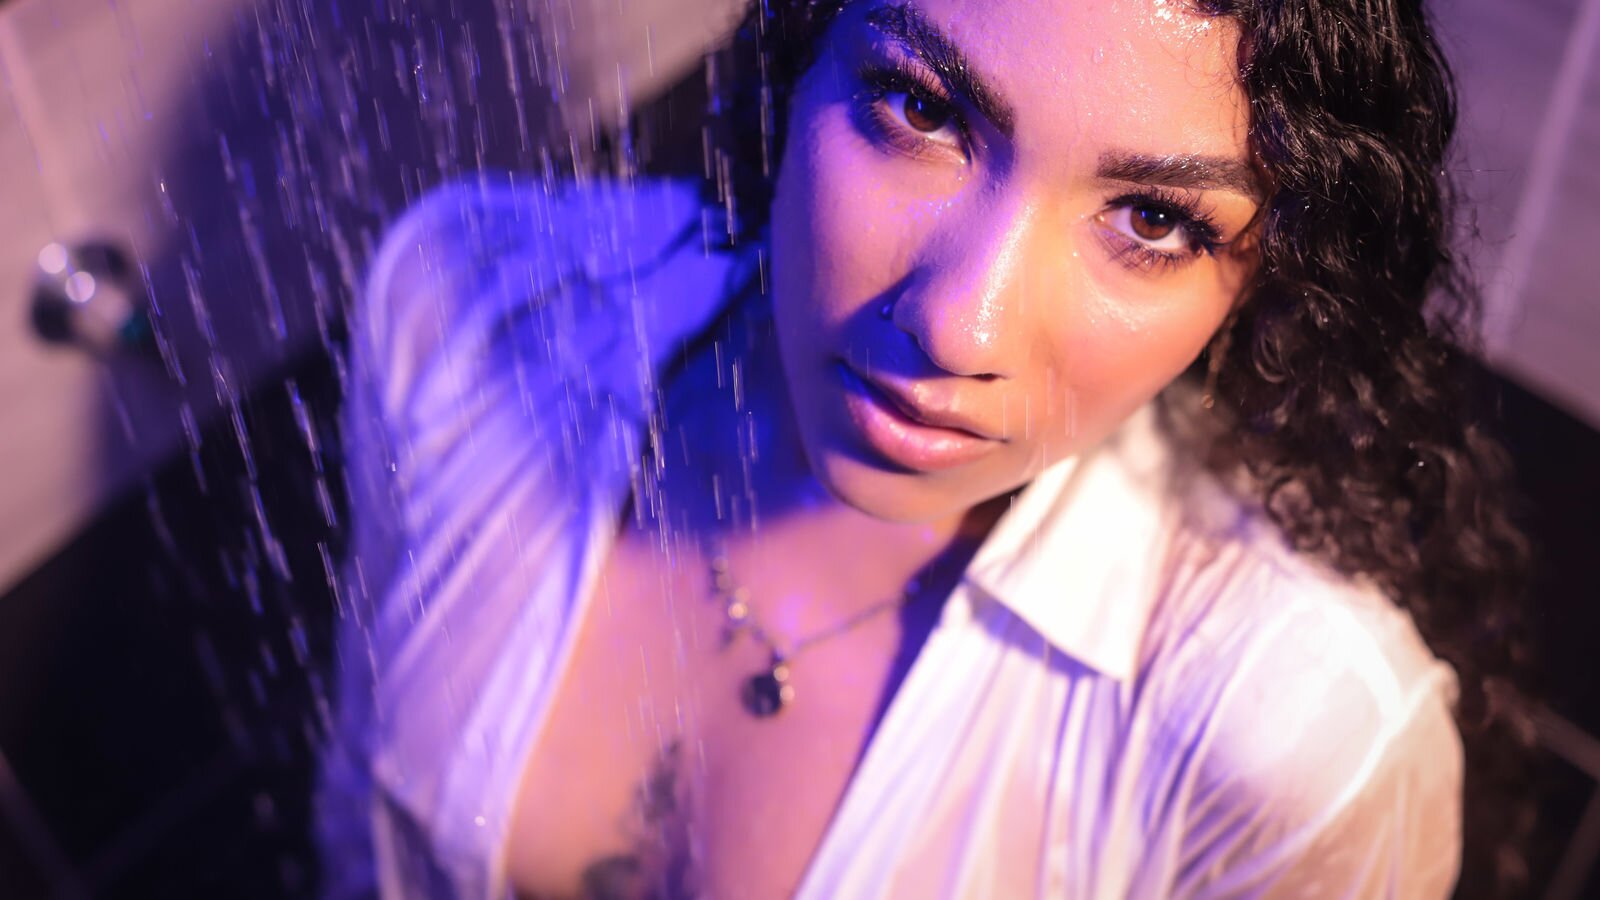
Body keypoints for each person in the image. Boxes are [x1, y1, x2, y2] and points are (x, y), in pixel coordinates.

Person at [317, 0, 1532, 897]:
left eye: (1153, 219)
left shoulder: (1292, 747)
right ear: (799, 51)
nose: (961, 325)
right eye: (923, 109)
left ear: (1262, 281)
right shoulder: (477, 303)